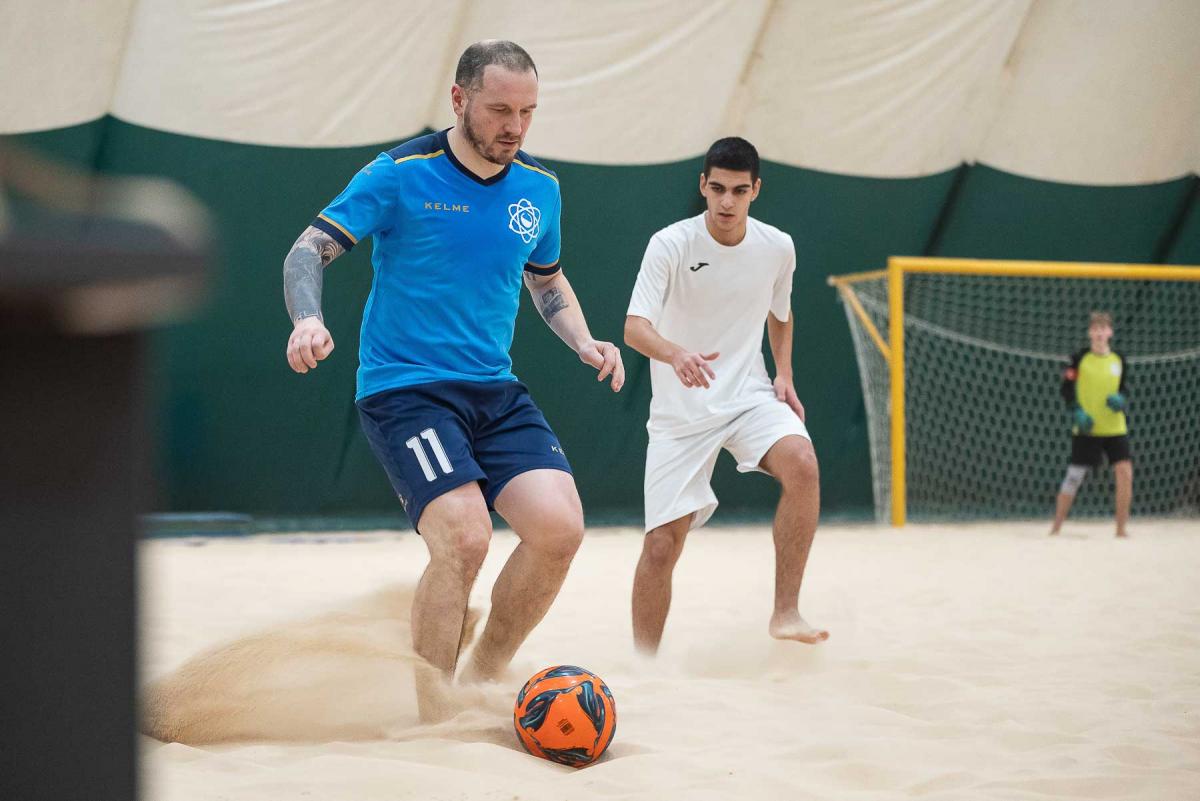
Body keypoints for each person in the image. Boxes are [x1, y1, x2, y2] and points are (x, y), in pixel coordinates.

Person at [281, 40, 624, 718]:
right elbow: (307, 250)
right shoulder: (400, 173)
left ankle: (483, 676)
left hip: (494, 390)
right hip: (406, 390)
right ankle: (433, 713)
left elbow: (547, 281)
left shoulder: (541, 188)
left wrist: (585, 340)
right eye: (500, 110)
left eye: (528, 112)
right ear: (460, 100)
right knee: (466, 538)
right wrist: (307, 319)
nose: (515, 127)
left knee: (560, 530)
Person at [623, 137, 827, 655]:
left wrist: (784, 373)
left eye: (738, 190)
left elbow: (781, 313)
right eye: (717, 189)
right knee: (661, 546)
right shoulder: (670, 243)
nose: (727, 202)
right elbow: (634, 328)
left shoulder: (778, 246)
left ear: (756, 189)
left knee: (803, 463)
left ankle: (786, 612)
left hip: (748, 396)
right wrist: (675, 354)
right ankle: (645, 664)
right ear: (703, 186)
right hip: (680, 415)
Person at [1049, 311, 1132, 538]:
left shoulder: (1119, 360)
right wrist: (1077, 411)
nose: (1099, 333)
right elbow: (1066, 389)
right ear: (1089, 333)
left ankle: (1121, 530)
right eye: (1095, 329)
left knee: (1125, 472)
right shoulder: (1079, 359)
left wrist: (1121, 399)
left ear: (1110, 332)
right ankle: (1056, 528)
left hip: (1115, 428)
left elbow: (1124, 388)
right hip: (1088, 428)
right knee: (1074, 477)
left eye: (1103, 329)